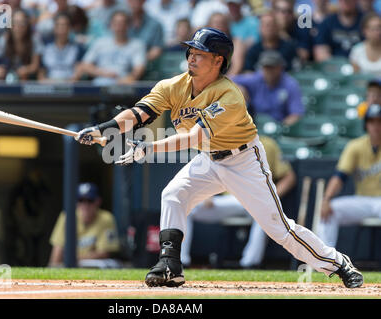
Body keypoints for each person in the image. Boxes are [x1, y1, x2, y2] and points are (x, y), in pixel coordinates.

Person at [75, 27, 364, 289]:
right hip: (209, 159)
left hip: (243, 160)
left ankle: (338, 262)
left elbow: (193, 138)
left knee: (279, 229)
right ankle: (170, 265)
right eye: (191, 51)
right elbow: (138, 115)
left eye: (200, 54)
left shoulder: (229, 95)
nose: (192, 57)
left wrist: (147, 148)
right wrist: (103, 129)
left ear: (218, 61)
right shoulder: (172, 86)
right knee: (173, 194)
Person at [181, 135, 297, 268]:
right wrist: (206, 194)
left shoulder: (267, 144)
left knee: (264, 213)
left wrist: (271, 197)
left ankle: (250, 263)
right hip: (230, 200)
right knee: (186, 208)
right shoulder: (222, 142)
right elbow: (210, 173)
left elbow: (289, 177)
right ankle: (181, 260)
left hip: (254, 199)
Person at [317, 103, 381, 248]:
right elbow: (340, 176)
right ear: (366, 124)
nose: (376, 126)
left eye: (379, 121)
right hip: (362, 200)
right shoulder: (355, 146)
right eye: (372, 121)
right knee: (330, 210)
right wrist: (326, 198)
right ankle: (327, 263)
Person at [48, 183, 121, 268]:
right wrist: (53, 268)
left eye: (90, 200)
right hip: (71, 266)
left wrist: (73, 259)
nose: (85, 205)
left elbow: (104, 253)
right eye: (81, 200)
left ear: (98, 201)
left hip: (95, 268)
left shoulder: (106, 218)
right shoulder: (67, 216)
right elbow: (57, 251)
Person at [233, 50, 305, 125]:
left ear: (280, 68)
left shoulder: (290, 84)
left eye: (272, 67)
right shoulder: (257, 78)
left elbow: (296, 114)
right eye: (266, 67)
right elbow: (231, 80)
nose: (269, 71)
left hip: (280, 126)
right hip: (255, 125)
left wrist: (281, 127)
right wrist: (241, 90)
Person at [80, 10, 146, 86]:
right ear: (111, 25)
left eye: (122, 23)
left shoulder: (137, 45)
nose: (119, 27)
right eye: (116, 23)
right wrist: (103, 73)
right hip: (99, 84)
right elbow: (85, 65)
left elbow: (139, 68)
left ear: (128, 26)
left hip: (124, 84)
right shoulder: (100, 43)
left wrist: (130, 78)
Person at [38, 12, 86, 82]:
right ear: (54, 27)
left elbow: (77, 76)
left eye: (64, 25)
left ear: (70, 28)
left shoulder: (78, 49)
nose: (61, 28)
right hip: (49, 86)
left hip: (70, 88)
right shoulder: (46, 48)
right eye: (58, 25)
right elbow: (41, 76)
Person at [0, 9, 43, 81]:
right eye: (15, 23)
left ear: (27, 25)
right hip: (6, 77)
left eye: (22, 23)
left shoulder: (34, 40)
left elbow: (35, 66)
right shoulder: (3, 40)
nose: (18, 27)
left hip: (29, 78)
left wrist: (26, 69)